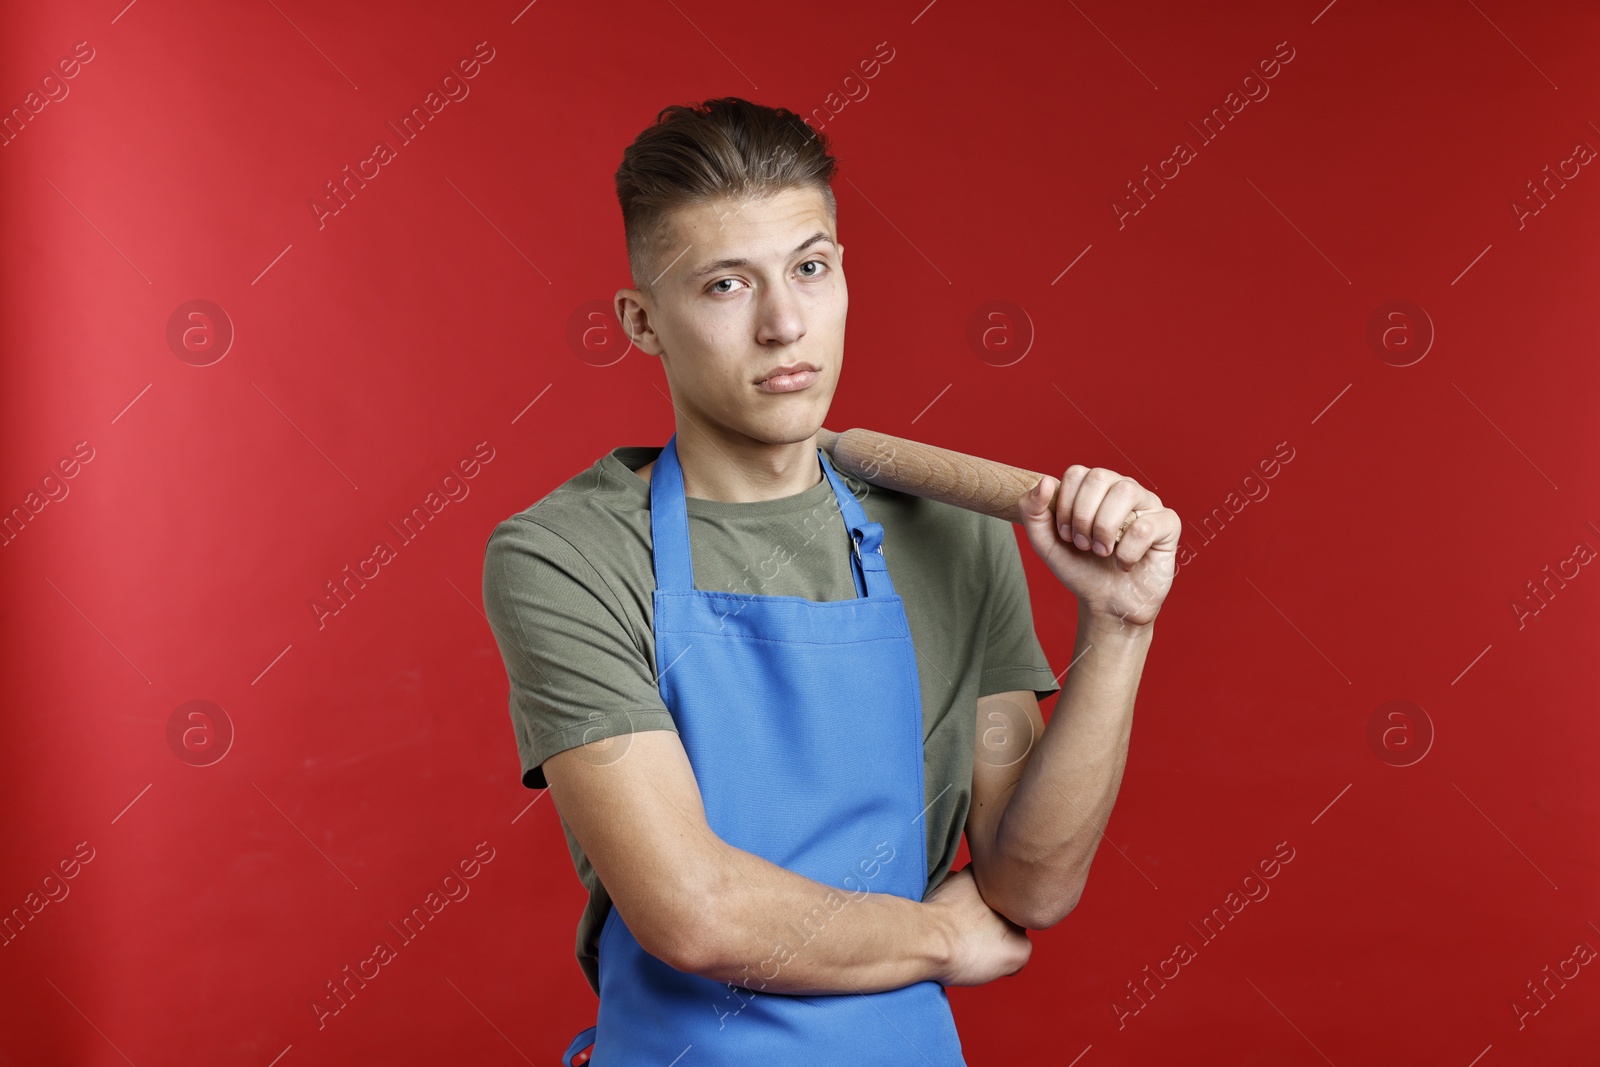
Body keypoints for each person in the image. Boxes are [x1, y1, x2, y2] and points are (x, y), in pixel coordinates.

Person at [481, 96, 1179, 1065]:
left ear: (843, 273)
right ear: (642, 322)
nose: (783, 324)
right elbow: (694, 911)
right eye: (725, 285)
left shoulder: (951, 533)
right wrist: (940, 934)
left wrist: (1116, 626)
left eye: (809, 268)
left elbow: (1029, 884)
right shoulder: (570, 553)